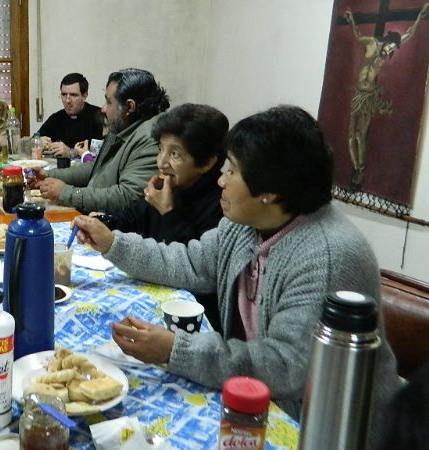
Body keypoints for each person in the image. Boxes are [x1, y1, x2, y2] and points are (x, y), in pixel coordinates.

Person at [73, 105, 400, 441]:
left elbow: (285, 365)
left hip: (321, 427)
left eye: (232, 171)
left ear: (269, 191)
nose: (220, 180)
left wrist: (176, 350)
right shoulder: (245, 226)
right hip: (256, 399)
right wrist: (112, 243)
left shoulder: (327, 255)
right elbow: (189, 262)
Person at [29, 68, 170, 213]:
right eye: (64, 95)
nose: (103, 109)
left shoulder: (150, 139)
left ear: (129, 106)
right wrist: (50, 175)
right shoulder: (122, 127)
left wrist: (66, 192)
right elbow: (96, 168)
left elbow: (127, 198)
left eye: (109, 102)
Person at [105, 103, 227, 244]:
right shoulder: (169, 185)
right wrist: (102, 222)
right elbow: (129, 219)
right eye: (161, 149)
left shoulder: (222, 205)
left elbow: (196, 261)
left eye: (175, 154)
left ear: (206, 163)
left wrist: (168, 212)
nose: (161, 163)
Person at [344, 3, 429, 189]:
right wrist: (351, 19)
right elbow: (357, 35)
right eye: (391, 47)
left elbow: (409, 35)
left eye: (393, 50)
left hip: (368, 98)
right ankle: (357, 167)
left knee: (361, 135)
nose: (390, 52)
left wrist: (420, 16)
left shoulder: (384, 57)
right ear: (388, 39)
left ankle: (360, 168)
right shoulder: (371, 43)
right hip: (358, 95)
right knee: (351, 135)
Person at [37, 73, 104, 158]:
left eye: (73, 95)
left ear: (85, 95)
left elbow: (100, 158)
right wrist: (38, 142)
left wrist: (71, 152)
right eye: (64, 94)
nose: (67, 100)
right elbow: (31, 141)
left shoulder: (99, 117)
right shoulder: (56, 118)